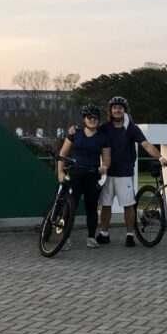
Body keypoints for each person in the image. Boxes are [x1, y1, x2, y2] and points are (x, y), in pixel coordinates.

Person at [92, 96, 167, 247]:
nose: (117, 110)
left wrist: (160, 157)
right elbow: (90, 132)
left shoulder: (132, 128)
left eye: (120, 108)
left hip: (125, 173)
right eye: (114, 108)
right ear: (111, 110)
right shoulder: (105, 127)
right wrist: (73, 129)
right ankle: (104, 234)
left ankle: (129, 235)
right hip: (107, 173)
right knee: (105, 205)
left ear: (124, 110)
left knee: (128, 206)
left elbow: (145, 144)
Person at [57, 104, 111, 249]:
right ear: (84, 119)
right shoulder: (75, 133)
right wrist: (61, 172)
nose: (92, 120)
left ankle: (91, 237)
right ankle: (65, 239)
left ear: (99, 120)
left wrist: (104, 167)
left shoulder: (103, 138)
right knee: (70, 206)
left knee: (92, 207)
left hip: (92, 176)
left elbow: (106, 158)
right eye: (89, 117)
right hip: (74, 175)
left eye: (95, 118)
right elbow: (63, 154)